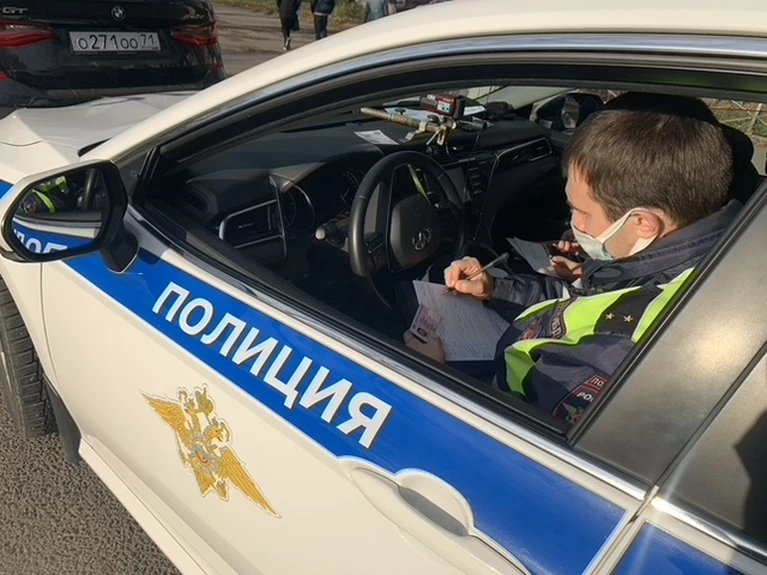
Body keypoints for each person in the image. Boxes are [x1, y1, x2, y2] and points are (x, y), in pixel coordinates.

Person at [405, 93, 740, 424]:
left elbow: (513, 435)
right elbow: (580, 306)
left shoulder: (620, 351)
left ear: (643, 224)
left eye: (582, 212)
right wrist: (495, 289)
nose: (573, 225)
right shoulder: (699, 258)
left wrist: (434, 378)